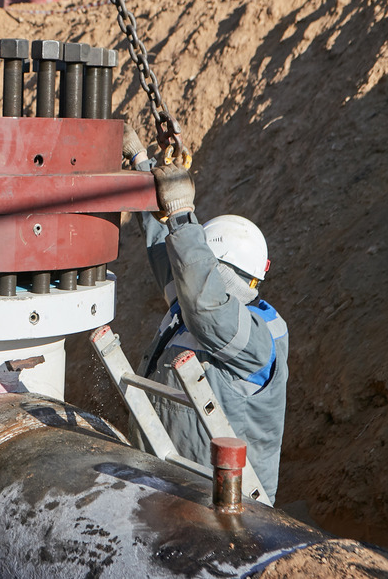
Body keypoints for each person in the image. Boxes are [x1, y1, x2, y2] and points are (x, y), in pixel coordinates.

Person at [123, 125, 289, 502]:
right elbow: (167, 250)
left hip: (228, 503)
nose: (195, 272)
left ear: (224, 273)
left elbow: (204, 303)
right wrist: (141, 166)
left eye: (208, 268)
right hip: (173, 484)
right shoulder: (196, 301)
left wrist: (183, 215)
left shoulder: (254, 337)